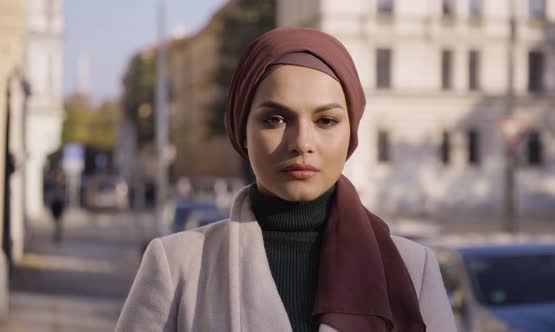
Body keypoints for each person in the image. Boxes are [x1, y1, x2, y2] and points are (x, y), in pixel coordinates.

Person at [116, 27, 456, 332]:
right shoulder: (177, 266)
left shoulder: (415, 269)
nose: (301, 143)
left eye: (325, 121)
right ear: (242, 131)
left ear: (351, 133)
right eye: (275, 119)